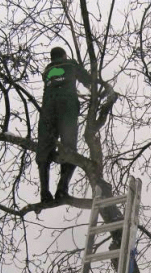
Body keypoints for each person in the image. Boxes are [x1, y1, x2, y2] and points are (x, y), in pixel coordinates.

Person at [37, 46, 93, 202]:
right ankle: (62, 189)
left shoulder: (46, 72)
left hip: (47, 110)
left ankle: (44, 193)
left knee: (43, 151)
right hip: (66, 109)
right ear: (63, 55)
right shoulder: (70, 65)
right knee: (70, 151)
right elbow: (88, 80)